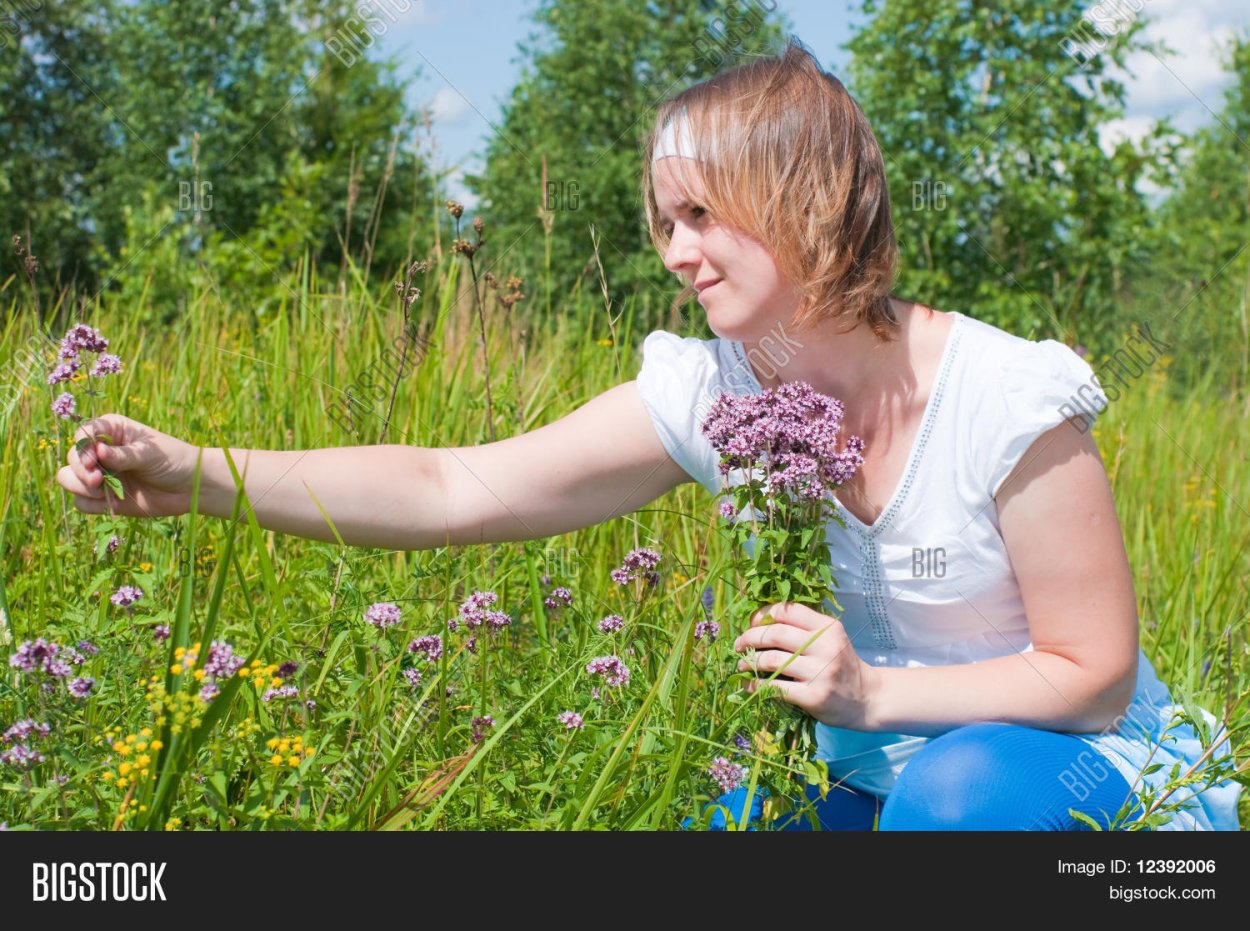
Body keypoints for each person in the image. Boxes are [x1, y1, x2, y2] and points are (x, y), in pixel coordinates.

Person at [57, 41, 1240, 831]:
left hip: (1085, 776)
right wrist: (198, 475)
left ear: (806, 199)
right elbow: (456, 483)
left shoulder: (1004, 395)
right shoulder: (715, 391)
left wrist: (872, 693)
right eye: (661, 218)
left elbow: (1087, 680)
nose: (672, 251)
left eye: (700, 214)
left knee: (956, 801)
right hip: (867, 767)